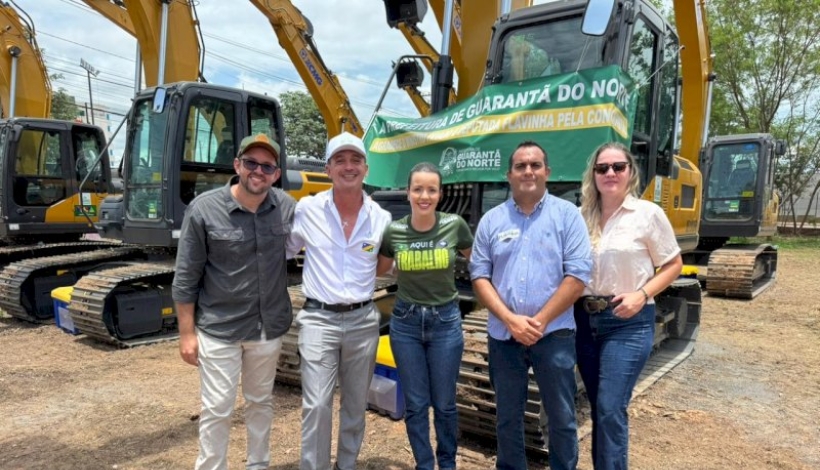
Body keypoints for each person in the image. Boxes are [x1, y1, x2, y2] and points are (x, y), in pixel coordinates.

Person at [172, 133, 296, 470]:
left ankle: (258, 464)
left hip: (267, 328)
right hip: (220, 329)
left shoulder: (286, 207)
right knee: (217, 408)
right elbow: (186, 277)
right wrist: (187, 334)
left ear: (276, 174)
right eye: (251, 163)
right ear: (237, 165)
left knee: (260, 402)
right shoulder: (204, 209)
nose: (259, 171)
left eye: (267, 166)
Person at [470, 141, 592, 470]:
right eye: (521, 166)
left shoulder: (567, 216)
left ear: (547, 172)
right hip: (504, 336)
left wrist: (538, 321)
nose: (528, 171)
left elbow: (578, 276)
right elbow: (479, 275)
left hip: (553, 334)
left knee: (562, 416)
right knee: (507, 416)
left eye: (535, 165)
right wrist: (511, 320)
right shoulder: (492, 221)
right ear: (509, 175)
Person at [286, 132, 392, 470]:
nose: (349, 167)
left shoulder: (381, 218)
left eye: (356, 160)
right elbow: (282, 251)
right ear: (328, 169)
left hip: (363, 320)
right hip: (319, 319)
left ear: (366, 168)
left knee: (355, 404)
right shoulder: (308, 210)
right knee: (317, 404)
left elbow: (384, 265)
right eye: (340, 160)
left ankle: (346, 465)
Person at [574, 142, 683, 470]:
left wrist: (641, 294)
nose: (610, 173)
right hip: (584, 321)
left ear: (630, 172)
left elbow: (673, 264)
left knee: (610, 407)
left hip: (628, 321)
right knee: (600, 408)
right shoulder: (579, 217)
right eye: (602, 168)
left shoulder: (647, 214)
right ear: (593, 174)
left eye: (618, 167)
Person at [376, 162, 473, 470]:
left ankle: (447, 463)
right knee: (417, 405)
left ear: (440, 194)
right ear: (408, 193)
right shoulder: (395, 231)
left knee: (444, 404)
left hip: (445, 322)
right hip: (405, 323)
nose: (424, 196)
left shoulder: (455, 225)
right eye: (418, 189)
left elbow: (479, 260)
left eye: (431, 189)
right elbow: (378, 268)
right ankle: (424, 464)